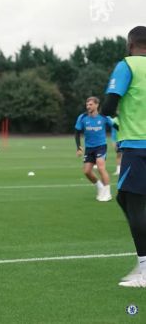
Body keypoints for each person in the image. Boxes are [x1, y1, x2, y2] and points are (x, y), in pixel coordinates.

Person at [101, 25, 146, 287]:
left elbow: (108, 105)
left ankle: (144, 271)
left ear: (130, 46)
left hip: (137, 147)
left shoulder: (127, 65)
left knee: (134, 205)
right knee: (125, 199)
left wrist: (115, 119)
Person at [74, 97, 114, 202]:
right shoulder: (82, 117)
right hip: (89, 148)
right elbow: (77, 133)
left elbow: (116, 126)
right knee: (87, 171)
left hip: (101, 146)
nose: (88, 107)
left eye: (91, 104)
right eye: (87, 105)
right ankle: (100, 186)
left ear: (97, 105)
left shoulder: (103, 117)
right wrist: (78, 147)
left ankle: (108, 193)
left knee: (101, 167)